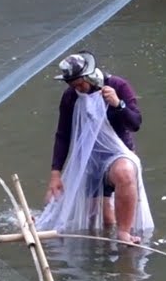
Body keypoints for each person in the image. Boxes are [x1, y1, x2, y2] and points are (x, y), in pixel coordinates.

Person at [43, 51, 149, 244]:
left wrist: (118, 104)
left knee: (125, 173)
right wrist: (55, 174)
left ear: (90, 75)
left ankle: (124, 234)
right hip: (89, 161)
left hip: (118, 154)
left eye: (80, 84)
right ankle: (104, 257)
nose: (79, 89)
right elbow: (63, 135)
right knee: (101, 222)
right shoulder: (70, 98)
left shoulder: (117, 86)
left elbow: (136, 123)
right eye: (73, 86)